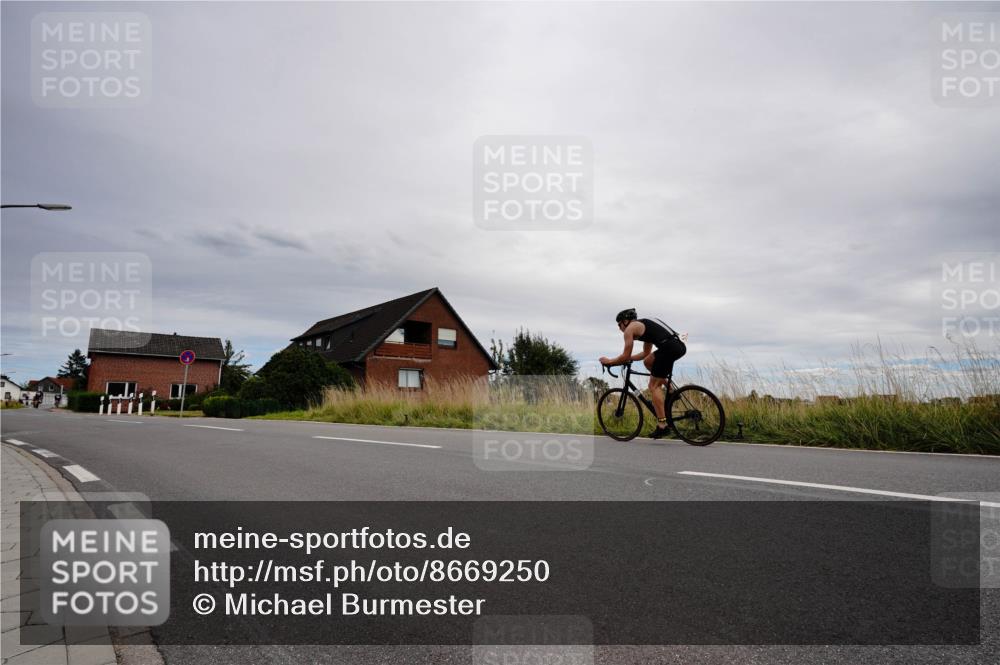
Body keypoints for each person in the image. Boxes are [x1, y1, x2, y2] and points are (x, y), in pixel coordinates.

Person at [600, 308, 687, 439]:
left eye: (619, 324)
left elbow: (625, 356)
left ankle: (662, 425)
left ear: (625, 321)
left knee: (653, 386)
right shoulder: (645, 326)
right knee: (648, 361)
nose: (619, 328)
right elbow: (645, 354)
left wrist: (610, 361)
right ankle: (671, 390)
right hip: (677, 346)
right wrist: (629, 359)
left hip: (669, 348)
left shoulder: (630, 329)